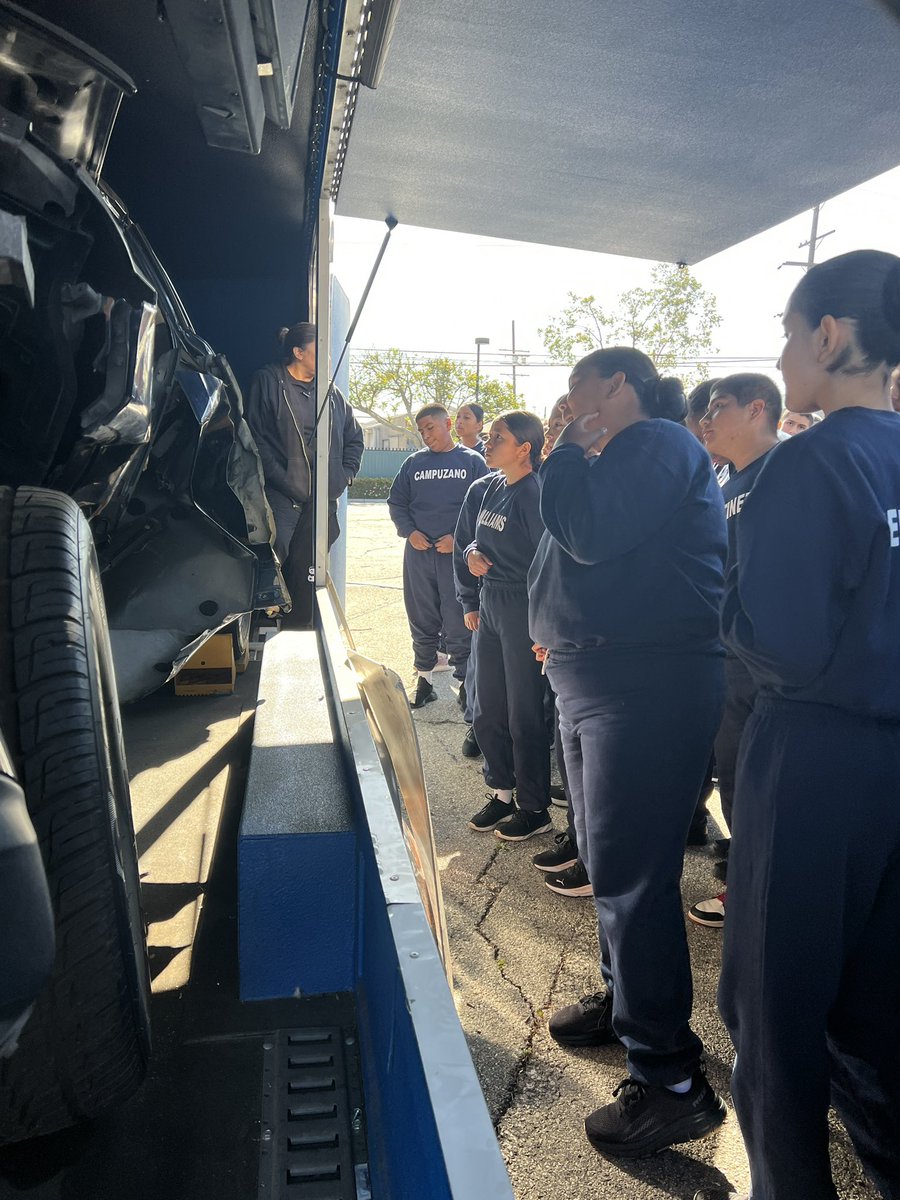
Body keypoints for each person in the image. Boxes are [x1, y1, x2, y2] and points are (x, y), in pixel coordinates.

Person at [697, 250, 900, 1200]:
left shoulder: (808, 464)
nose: (781, 357)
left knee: (775, 1016)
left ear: (829, 334)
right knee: (879, 1007)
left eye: (787, 333)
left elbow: (771, 640)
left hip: (817, 762)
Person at [529, 346, 728, 1159]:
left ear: (618, 385)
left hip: (643, 683)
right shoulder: (625, 455)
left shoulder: (659, 442)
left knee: (633, 877)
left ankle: (672, 1081)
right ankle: (627, 1004)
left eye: (579, 386)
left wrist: (565, 449)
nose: (567, 402)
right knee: (611, 867)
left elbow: (586, 531)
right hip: (600, 678)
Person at [686, 373, 783, 930]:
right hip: (728, 660)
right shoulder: (725, 483)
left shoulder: (787, 470)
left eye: (719, 407)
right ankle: (744, 887)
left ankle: (759, 895)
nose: (706, 419)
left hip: (769, 665)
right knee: (735, 777)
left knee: (765, 783)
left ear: (756, 409)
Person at [454, 411, 552, 841]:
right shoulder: (492, 486)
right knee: (486, 705)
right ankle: (501, 791)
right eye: (489, 436)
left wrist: (547, 626)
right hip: (491, 600)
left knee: (523, 711)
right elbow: (475, 540)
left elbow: (551, 565)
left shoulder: (535, 494)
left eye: (498, 438)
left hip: (523, 606)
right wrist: (472, 554)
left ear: (524, 448)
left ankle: (534, 806)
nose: (488, 444)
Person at [245, 322, 363, 628]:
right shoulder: (269, 381)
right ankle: (268, 630)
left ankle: (303, 633)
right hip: (283, 497)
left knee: (311, 573)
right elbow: (255, 438)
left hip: (323, 502)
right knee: (277, 568)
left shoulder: (331, 392)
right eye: (318, 350)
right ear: (298, 352)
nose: (326, 358)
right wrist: (278, 477)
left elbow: (355, 437)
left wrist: (344, 475)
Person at [388, 405, 489, 708]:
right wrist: (409, 531)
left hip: (456, 557)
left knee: (459, 619)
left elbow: (484, 508)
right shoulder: (413, 463)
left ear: (447, 424)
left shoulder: (472, 462)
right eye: (421, 430)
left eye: (430, 427)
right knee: (421, 616)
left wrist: (459, 540)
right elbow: (397, 502)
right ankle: (425, 680)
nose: (426, 434)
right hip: (419, 555)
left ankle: (465, 685)